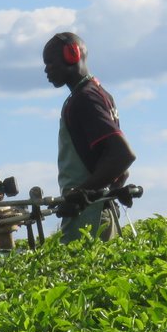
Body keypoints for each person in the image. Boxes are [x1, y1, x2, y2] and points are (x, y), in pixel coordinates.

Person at [42, 32, 136, 240]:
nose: (46, 69)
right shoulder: (99, 93)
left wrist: (80, 194)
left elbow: (122, 155)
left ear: (72, 55)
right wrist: (114, 188)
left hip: (89, 217)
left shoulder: (85, 99)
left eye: (50, 62)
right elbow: (116, 165)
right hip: (97, 210)